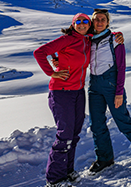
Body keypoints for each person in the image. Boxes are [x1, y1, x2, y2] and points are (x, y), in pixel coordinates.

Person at [88, 8, 131, 175]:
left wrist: (119, 92)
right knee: (96, 124)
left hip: (111, 84)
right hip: (94, 86)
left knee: (122, 120)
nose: (99, 22)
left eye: (103, 19)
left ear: (108, 22)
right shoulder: (87, 40)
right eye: (96, 19)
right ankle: (105, 158)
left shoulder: (115, 40)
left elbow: (122, 67)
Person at [34, 13, 92, 187]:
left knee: (74, 134)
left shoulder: (88, 40)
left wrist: (117, 36)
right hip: (61, 92)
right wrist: (51, 72)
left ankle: (67, 171)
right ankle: (54, 179)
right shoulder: (67, 39)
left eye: (85, 22)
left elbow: (104, 34)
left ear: (89, 24)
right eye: (78, 22)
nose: (81, 24)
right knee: (65, 135)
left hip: (78, 92)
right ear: (73, 24)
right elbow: (40, 52)